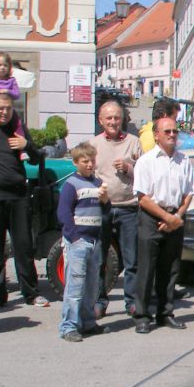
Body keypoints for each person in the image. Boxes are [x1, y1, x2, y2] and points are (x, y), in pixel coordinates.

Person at [132, 116, 194, 333]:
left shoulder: (184, 160)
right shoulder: (146, 161)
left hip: (175, 218)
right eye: (167, 131)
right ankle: (142, 316)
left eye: (175, 131)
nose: (172, 135)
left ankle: (165, 313)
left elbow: (189, 192)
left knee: (170, 270)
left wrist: (176, 217)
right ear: (156, 135)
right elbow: (143, 197)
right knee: (146, 269)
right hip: (151, 219)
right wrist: (166, 218)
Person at [91, 100, 141, 318]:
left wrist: (129, 168)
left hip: (129, 208)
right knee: (99, 259)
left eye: (117, 117)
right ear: (100, 121)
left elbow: (146, 173)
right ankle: (99, 301)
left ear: (123, 119)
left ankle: (131, 301)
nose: (113, 122)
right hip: (101, 208)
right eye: (108, 118)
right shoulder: (93, 144)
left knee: (132, 260)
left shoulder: (134, 142)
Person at [57, 143, 110, 342]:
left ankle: (88, 322)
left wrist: (105, 201)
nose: (89, 164)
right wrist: (75, 238)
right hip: (79, 240)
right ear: (76, 163)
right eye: (85, 161)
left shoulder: (97, 183)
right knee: (75, 287)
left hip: (95, 241)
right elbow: (63, 213)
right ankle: (68, 326)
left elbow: (106, 212)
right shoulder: (71, 184)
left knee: (91, 286)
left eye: (92, 160)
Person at [0, 92, 47, 308]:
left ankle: (31, 293)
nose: (4, 112)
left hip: (18, 195)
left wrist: (26, 144)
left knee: (23, 246)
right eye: (1, 108)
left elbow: (37, 158)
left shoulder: (18, 128)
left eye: (9, 108)